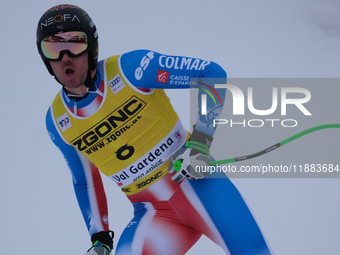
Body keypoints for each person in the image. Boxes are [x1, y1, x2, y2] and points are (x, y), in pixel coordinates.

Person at [36, 4, 273, 255]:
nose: (65, 57)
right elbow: (86, 182)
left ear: (92, 47)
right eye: (53, 47)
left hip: (201, 187)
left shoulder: (132, 69)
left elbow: (210, 73)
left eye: (75, 43)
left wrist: (201, 142)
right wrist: (100, 239)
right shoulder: (57, 121)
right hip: (153, 212)